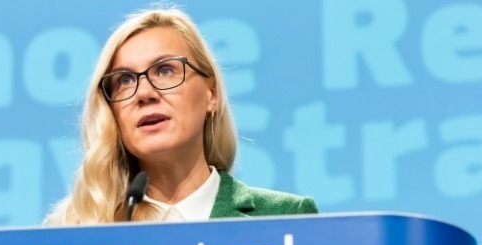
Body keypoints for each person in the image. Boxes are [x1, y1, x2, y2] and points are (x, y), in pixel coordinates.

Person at [45, 6, 317, 225]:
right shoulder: (71, 231)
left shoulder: (286, 218)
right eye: (125, 80)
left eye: (165, 71)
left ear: (212, 94)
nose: (144, 93)